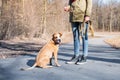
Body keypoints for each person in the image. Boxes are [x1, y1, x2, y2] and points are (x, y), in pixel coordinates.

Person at [64, 0, 92, 64]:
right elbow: (70, 4)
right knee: (75, 37)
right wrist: (68, 8)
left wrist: (87, 15)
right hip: (73, 16)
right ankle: (76, 56)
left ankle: (84, 57)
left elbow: (89, 3)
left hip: (83, 16)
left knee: (84, 36)